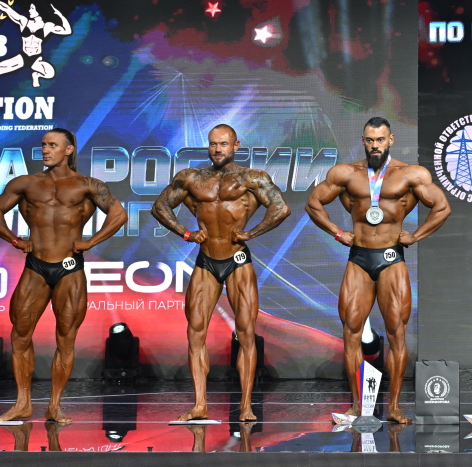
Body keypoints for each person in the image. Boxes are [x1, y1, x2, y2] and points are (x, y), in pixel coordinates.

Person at [306, 116, 452, 424]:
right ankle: (356, 405)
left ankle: (394, 406)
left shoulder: (411, 174)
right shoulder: (346, 173)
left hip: (391, 259)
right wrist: (337, 233)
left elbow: (442, 207)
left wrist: (415, 235)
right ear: (363, 141)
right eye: (370, 140)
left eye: (381, 140)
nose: (375, 145)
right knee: (351, 332)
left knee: (397, 332)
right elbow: (313, 204)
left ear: (391, 140)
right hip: (358, 258)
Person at [0, 129, 127, 423]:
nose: (46, 150)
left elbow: (118, 215)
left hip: (70, 268)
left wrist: (91, 242)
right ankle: (22, 403)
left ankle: (55, 406)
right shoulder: (26, 183)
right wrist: (15, 240)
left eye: (52, 145)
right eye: (44, 145)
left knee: (66, 338)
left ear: (68, 149)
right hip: (35, 267)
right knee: (20, 334)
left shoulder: (88, 185)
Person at [151, 124, 291, 422]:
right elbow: (160, 206)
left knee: (246, 333)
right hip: (206, 260)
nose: (217, 149)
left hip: (238, 260)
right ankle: (199, 405)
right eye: (213, 144)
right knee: (195, 331)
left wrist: (252, 233)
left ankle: (245, 406)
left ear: (236, 145)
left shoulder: (252, 178)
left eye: (224, 144)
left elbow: (280, 209)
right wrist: (186, 233)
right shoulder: (191, 178)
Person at [0, 0, 72, 88]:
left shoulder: (47, 26)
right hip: (22, 57)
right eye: (30, 8)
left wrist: (60, 15)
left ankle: (36, 75)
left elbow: (67, 31)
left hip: (36, 59)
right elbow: (7, 9)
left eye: (32, 8)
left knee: (50, 74)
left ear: (39, 10)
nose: (30, 10)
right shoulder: (24, 21)